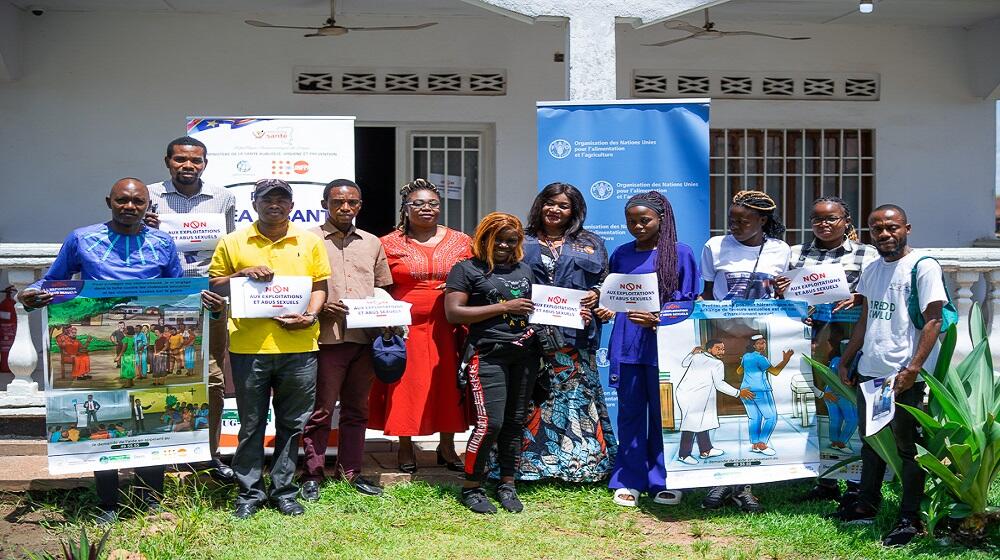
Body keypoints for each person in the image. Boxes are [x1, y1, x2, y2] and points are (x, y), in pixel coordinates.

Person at [16, 177, 224, 525]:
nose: (130, 207)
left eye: (138, 202)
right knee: (107, 426)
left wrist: (209, 307)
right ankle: (109, 503)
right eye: (123, 200)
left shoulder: (161, 242)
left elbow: (179, 292)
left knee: (152, 422)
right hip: (107, 353)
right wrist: (30, 295)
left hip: (147, 356)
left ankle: (150, 499)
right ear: (109, 201)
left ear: (147, 205)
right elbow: (51, 280)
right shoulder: (81, 238)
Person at [209, 178, 330, 520]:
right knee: (251, 424)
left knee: (293, 423)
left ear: (291, 205)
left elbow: (319, 287)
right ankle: (249, 492)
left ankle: (284, 490)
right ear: (255, 202)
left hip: (300, 346)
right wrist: (242, 273)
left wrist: (310, 315)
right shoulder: (234, 242)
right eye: (267, 199)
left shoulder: (308, 241)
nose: (274, 204)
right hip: (250, 346)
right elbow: (213, 282)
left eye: (281, 199)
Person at [829, 205, 946, 547]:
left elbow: (934, 320)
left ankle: (909, 518)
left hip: (904, 376)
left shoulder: (922, 267)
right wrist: (848, 358)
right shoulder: (873, 268)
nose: (885, 234)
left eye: (892, 227)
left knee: (907, 449)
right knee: (871, 442)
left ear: (906, 228)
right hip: (871, 371)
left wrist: (913, 369)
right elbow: (867, 316)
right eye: (877, 228)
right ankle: (866, 503)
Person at [594, 191, 699, 507]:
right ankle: (629, 479)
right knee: (630, 414)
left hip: (665, 345)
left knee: (665, 415)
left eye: (644, 220)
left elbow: (689, 302)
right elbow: (614, 296)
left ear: (661, 219)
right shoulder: (622, 254)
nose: (637, 226)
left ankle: (663, 478)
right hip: (627, 345)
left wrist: (659, 319)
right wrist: (607, 309)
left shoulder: (682, 254)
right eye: (631, 221)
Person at [145, 136, 238, 482]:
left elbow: (227, 246)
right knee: (161, 375)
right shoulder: (149, 195)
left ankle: (209, 454)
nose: (188, 166)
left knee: (211, 376)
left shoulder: (224, 197)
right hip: (161, 295)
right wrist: (145, 228)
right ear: (167, 161)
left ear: (205, 163)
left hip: (208, 294)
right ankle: (160, 451)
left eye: (195, 161)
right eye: (181, 160)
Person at [774, 196, 878, 503]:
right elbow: (788, 297)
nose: (824, 224)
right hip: (810, 339)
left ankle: (857, 481)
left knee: (851, 402)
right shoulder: (797, 252)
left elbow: (873, 290)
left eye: (831, 218)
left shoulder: (866, 253)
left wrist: (859, 296)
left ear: (846, 221)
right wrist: (785, 292)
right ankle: (826, 481)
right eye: (817, 219)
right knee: (821, 406)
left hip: (849, 339)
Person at [510, 182, 616, 482]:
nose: (555, 210)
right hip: (531, 334)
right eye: (550, 203)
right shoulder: (521, 239)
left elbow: (605, 280)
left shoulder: (592, 242)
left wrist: (597, 295)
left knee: (576, 398)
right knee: (532, 397)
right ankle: (528, 466)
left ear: (574, 211)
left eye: (563, 206)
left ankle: (581, 465)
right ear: (540, 204)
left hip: (575, 337)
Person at [368, 179, 471, 473]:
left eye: (433, 203)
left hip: (448, 324)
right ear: (406, 208)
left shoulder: (462, 242)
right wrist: (384, 317)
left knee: (448, 384)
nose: (426, 208)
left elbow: (477, 275)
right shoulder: (387, 243)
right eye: (418, 203)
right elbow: (377, 283)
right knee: (405, 383)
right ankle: (404, 446)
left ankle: (448, 446)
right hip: (405, 325)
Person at [299, 179, 392, 502]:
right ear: (325, 203)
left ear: (360, 206)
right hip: (325, 338)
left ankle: (350, 471)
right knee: (321, 410)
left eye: (352, 202)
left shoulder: (371, 242)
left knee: (356, 409)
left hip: (364, 338)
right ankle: (312, 473)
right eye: (338, 202)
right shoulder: (307, 239)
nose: (345, 208)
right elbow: (295, 287)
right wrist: (321, 307)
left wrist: (385, 318)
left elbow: (383, 288)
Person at [699, 189, 790, 513]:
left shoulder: (780, 250)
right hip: (724, 341)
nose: (735, 225)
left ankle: (745, 486)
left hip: (759, 343)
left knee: (754, 409)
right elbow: (707, 294)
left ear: (762, 221)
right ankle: (720, 479)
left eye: (744, 220)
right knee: (725, 407)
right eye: (732, 219)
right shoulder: (714, 246)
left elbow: (785, 296)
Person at [445, 212, 542, 514]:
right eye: (496, 239)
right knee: (491, 423)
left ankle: (507, 484)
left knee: (515, 423)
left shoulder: (525, 269)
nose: (503, 245)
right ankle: (472, 486)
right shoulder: (466, 270)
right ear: (483, 239)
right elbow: (454, 313)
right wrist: (504, 306)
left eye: (510, 240)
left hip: (525, 355)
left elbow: (538, 306)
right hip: (487, 354)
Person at [674, 340, 746, 464]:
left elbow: (684, 363)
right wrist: (738, 393)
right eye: (718, 348)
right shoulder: (716, 363)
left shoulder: (698, 356)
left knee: (701, 422)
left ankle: (706, 450)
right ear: (709, 349)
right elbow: (719, 385)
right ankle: (684, 455)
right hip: (693, 394)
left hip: (688, 393)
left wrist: (692, 353)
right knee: (691, 424)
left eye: (723, 349)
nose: (721, 351)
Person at [738, 334, 794, 456]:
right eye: (759, 343)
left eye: (763, 342)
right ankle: (762, 444)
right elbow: (775, 372)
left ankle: (755, 444)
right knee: (771, 417)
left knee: (754, 418)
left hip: (745, 391)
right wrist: (786, 360)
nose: (762, 345)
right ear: (754, 345)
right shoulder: (761, 358)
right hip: (760, 391)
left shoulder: (746, 356)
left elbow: (739, 371)